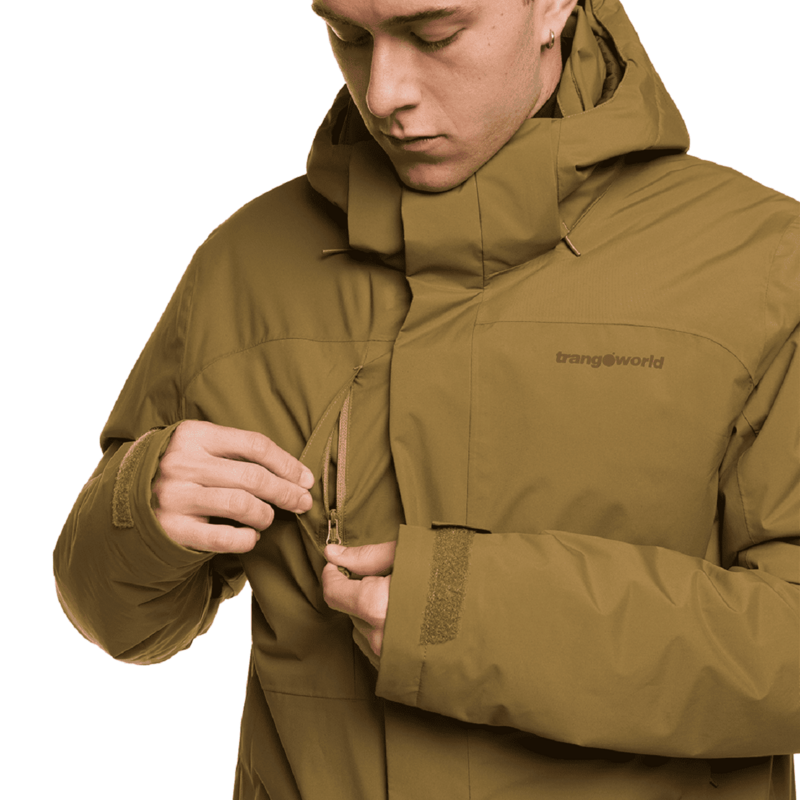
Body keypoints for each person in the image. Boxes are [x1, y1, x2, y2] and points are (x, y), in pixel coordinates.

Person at [54, 0, 799, 797]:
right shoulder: (247, 266)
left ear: (553, 8)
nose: (382, 93)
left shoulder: (761, 264)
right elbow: (120, 620)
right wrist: (138, 507)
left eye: (434, 34)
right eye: (348, 35)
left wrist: (474, 616)